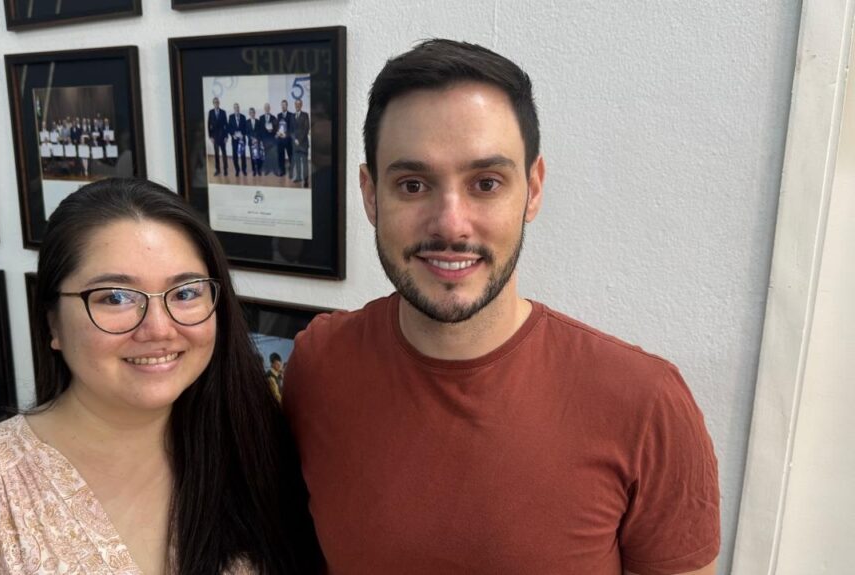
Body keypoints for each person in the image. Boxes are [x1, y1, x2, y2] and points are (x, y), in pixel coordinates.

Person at [283, 39, 720, 574]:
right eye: (413, 184)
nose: (450, 223)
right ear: (371, 195)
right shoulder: (318, 363)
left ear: (532, 190)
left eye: (486, 184)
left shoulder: (645, 402)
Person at [0, 178, 323, 574]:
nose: (159, 328)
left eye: (186, 292)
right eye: (115, 297)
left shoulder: (255, 453)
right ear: (52, 322)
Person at [208, 97, 229, 176]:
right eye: (214, 102)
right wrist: (210, 137)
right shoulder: (211, 112)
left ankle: (225, 169)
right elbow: (208, 124)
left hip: (223, 136)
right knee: (216, 154)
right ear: (213, 103)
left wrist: (226, 136)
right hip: (215, 137)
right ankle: (218, 170)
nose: (216, 103)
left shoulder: (223, 112)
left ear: (219, 103)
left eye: (217, 102)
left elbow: (226, 125)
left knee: (224, 153)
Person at [291, 99, 310, 187]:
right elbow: (291, 130)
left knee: (305, 163)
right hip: (295, 144)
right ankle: (298, 177)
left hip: (303, 144)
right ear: (295, 105)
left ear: (301, 105)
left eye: (299, 104)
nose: (297, 106)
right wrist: (295, 139)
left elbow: (306, 129)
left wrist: (299, 140)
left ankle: (306, 180)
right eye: (296, 104)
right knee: (297, 161)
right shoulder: (292, 116)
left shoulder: (305, 115)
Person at [228, 103, 248, 177]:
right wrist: (233, 135)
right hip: (234, 140)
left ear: (239, 108)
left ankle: (244, 169)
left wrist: (243, 135)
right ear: (234, 109)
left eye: (237, 107)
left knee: (243, 155)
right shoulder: (231, 117)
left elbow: (245, 128)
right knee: (235, 156)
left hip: (242, 140)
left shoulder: (243, 117)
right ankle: (237, 170)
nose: (236, 108)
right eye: (235, 107)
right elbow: (229, 128)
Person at [275, 100, 293, 178]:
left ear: (287, 106)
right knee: (281, 156)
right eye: (282, 105)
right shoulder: (278, 115)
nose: (283, 106)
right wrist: (278, 133)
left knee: (291, 156)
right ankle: (282, 171)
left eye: (284, 105)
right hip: (280, 140)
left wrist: (286, 134)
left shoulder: (291, 115)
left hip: (288, 140)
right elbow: (278, 127)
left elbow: (292, 128)